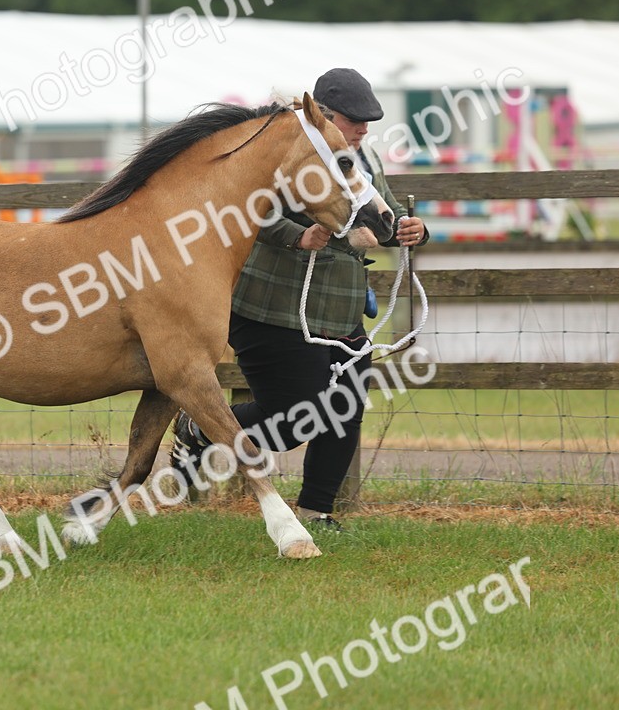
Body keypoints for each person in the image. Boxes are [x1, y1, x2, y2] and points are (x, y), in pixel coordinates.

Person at [170, 68, 428, 530]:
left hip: (341, 310)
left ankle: (317, 511)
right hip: (274, 310)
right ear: (324, 115)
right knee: (292, 419)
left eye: (369, 122)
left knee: (346, 408)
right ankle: (201, 429)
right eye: (356, 120)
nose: (364, 130)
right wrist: (296, 235)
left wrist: (413, 230)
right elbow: (245, 207)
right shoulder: (280, 150)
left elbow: (382, 217)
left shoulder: (363, 161)